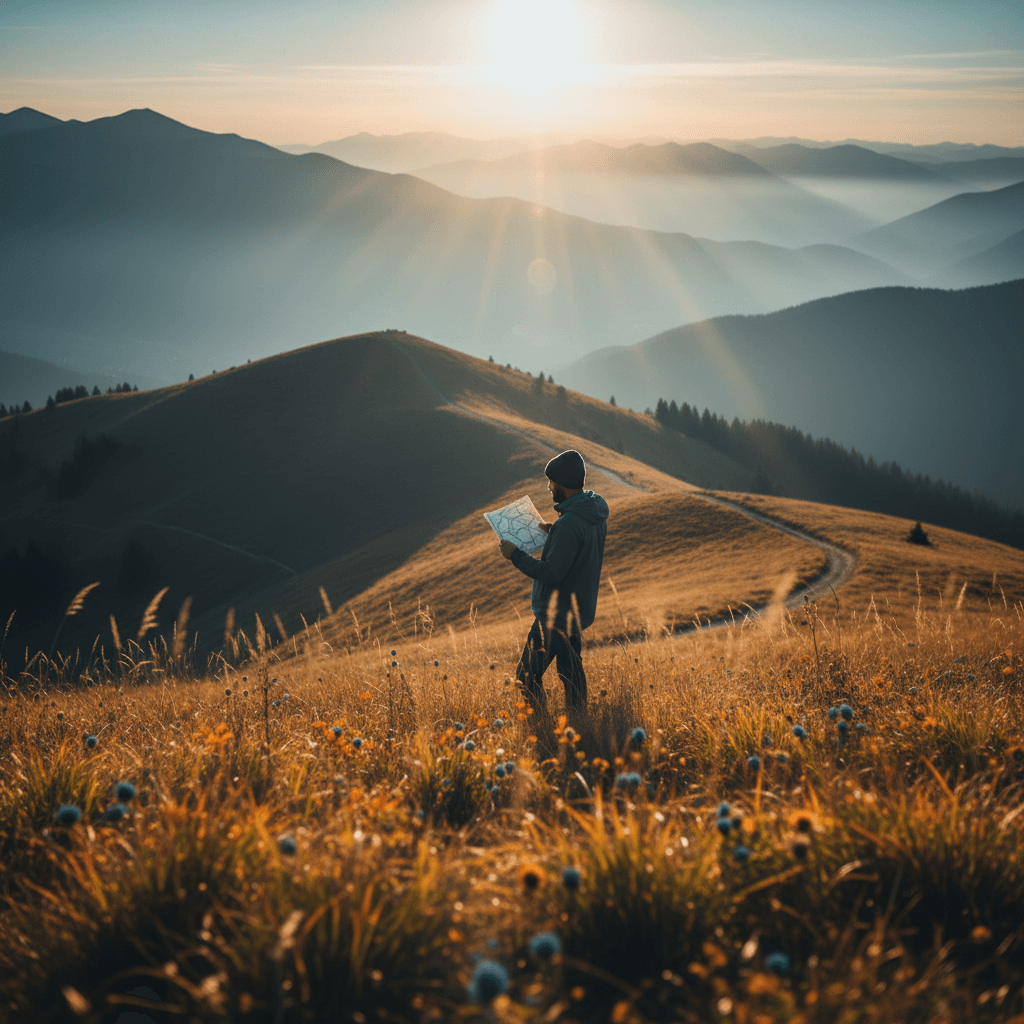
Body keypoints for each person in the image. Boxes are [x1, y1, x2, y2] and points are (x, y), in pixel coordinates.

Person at [498, 450, 608, 713]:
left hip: (555, 617)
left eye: (552, 482)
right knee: (571, 676)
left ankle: (540, 727)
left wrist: (515, 555)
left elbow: (551, 572)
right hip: (577, 611)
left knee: (526, 677)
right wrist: (554, 532)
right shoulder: (590, 513)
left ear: (564, 484)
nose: (548, 487)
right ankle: (579, 722)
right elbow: (577, 552)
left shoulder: (570, 523)